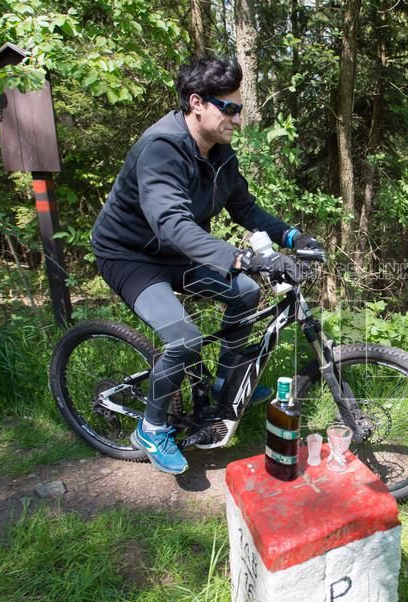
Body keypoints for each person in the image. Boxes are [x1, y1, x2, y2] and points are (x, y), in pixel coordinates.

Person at [91, 57, 321, 474]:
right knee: (183, 339)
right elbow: (172, 223)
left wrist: (292, 237)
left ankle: (225, 384)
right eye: (229, 108)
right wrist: (241, 257)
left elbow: (244, 207)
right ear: (197, 103)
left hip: (177, 253)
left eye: (240, 108)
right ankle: (151, 426)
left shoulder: (220, 154)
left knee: (246, 293)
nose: (238, 117)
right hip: (130, 256)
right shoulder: (161, 148)